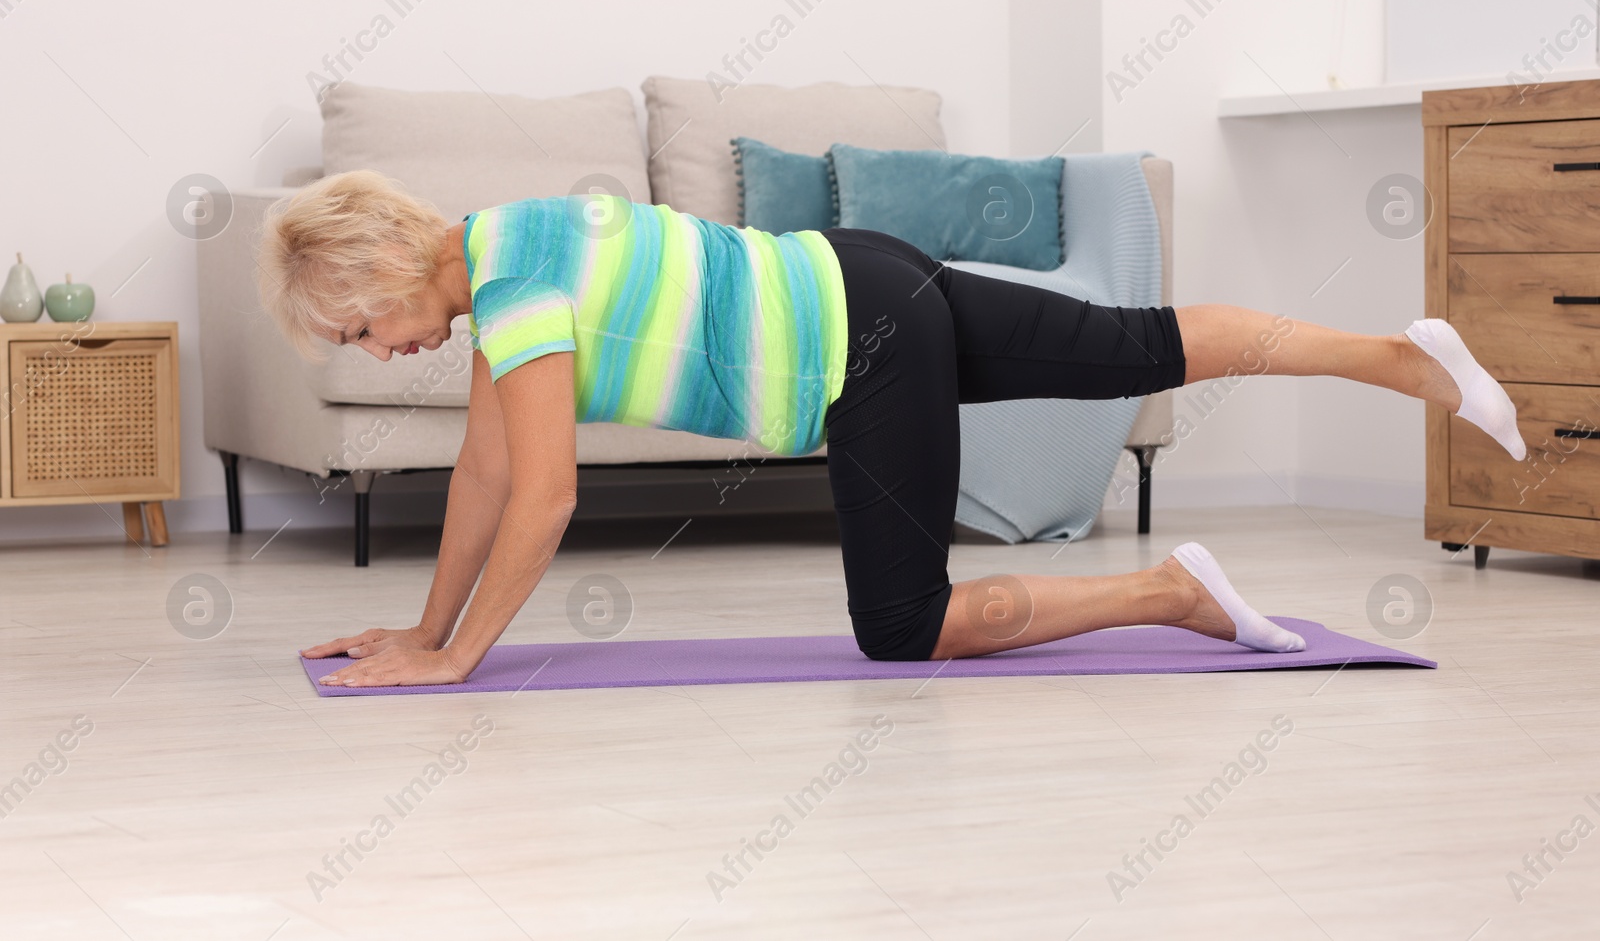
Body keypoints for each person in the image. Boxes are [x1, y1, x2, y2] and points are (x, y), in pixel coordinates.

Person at [260, 170, 1525, 688]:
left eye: (362, 327)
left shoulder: (517, 296)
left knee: (903, 628)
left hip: (857, 350)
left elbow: (539, 499)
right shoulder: (506, 244)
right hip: (861, 272)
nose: (381, 350)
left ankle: (1170, 592)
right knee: (1135, 342)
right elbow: (487, 470)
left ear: (381, 268)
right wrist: (424, 630)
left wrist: (453, 661)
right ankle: (1396, 357)